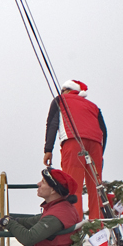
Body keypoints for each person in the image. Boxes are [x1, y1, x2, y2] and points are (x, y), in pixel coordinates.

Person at [43, 80, 107, 220]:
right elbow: (104, 130)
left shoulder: (60, 100)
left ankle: (74, 225)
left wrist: (48, 149)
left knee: (73, 185)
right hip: (96, 144)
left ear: (66, 90)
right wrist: (100, 154)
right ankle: (97, 226)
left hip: (73, 141)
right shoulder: (93, 106)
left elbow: (52, 124)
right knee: (96, 187)